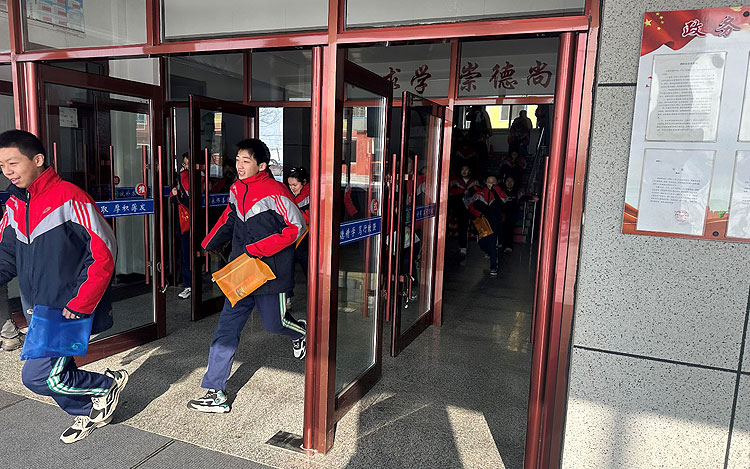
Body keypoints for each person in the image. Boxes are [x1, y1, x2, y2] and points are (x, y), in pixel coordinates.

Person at [0, 129, 128, 443]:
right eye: (2, 165)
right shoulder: (15, 205)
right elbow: (6, 254)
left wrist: (82, 302)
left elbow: (104, 251)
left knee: (38, 376)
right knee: (58, 369)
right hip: (37, 309)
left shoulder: (70, 197)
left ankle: (104, 387)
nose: (7, 171)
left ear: (38, 159)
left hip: (66, 307)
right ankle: (88, 410)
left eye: (13, 163)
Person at [187, 138, 307, 414]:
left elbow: (297, 227)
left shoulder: (276, 191)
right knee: (226, 330)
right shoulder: (236, 189)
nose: (239, 166)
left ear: (262, 165)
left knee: (275, 325)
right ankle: (215, 392)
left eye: (246, 161)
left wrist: (259, 248)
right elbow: (229, 219)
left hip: (271, 273)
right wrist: (209, 242)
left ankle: (300, 333)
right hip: (242, 271)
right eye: (238, 160)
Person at [467, 175, 508, 277]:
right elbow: (471, 206)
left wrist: (495, 190)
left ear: (496, 183)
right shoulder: (479, 193)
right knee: (482, 244)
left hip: (494, 223)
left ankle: (493, 267)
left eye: (493, 183)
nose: (491, 185)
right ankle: (490, 252)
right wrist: (479, 214)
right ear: (485, 182)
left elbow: (503, 204)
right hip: (482, 222)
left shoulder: (500, 193)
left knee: (493, 245)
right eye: (489, 182)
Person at [285, 166, 310, 310]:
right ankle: (287, 298)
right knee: (287, 269)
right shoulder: (291, 195)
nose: (292, 188)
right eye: (290, 185)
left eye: (295, 185)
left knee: (309, 270)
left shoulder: (312, 194)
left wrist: (293, 216)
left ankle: (317, 299)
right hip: (293, 238)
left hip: (306, 239)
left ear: (304, 182)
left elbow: (310, 217)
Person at [170, 153, 194, 299]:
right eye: (184, 164)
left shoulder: (193, 177)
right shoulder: (183, 177)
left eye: (188, 164)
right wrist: (175, 195)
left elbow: (189, 196)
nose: (185, 167)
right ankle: (188, 284)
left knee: (190, 255)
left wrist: (183, 175)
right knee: (186, 255)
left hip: (194, 223)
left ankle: (191, 284)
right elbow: (175, 200)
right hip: (185, 223)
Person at [448, 165, 479, 256]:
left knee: (474, 225)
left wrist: (469, 191)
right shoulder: (456, 181)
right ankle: (462, 246)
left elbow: (477, 191)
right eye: (462, 169)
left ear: (470, 171)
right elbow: (451, 191)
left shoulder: (475, 182)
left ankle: (480, 244)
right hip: (460, 208)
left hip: (472, 208)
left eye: (466, 169)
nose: (464, 171)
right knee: (462, 227)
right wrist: (462, 191)